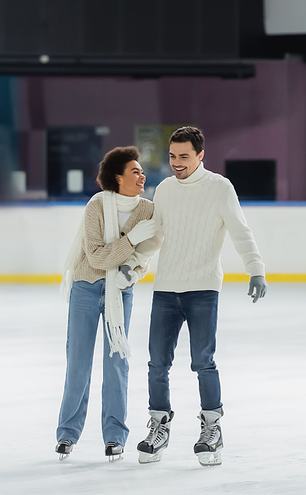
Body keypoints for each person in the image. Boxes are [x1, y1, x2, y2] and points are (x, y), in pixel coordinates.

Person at [117, 127, 267, 467]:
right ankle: (159, 426)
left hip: (202, 289)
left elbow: (240, 230)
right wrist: (136, 266)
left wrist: (255, 268)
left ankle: (212, 429)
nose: (177, 163)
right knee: (157, 362)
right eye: (172, 156)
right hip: (166, 289)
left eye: (184, 156)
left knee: (203, 361)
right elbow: (156, 236)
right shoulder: (166, 190)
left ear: (201, 155)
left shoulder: (219, 187)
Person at [55, 146, 161, 462]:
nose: (142, 175)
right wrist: (129, 241)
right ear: (118, 177)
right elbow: (97, 256)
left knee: (117, 361)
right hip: (86, 287)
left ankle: (115, 436)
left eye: (142, 171)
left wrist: (132, 269)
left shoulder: (147, 211)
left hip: (120, 291)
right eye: (135, 171)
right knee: (78, 362)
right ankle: (67, 434)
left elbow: (146, 254)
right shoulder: (97, 206)